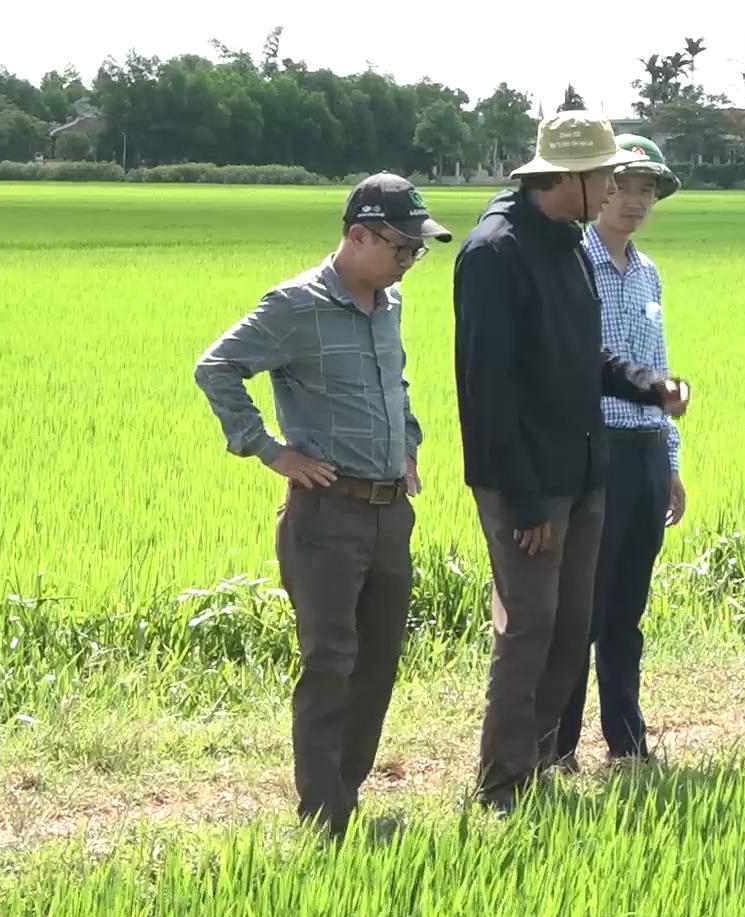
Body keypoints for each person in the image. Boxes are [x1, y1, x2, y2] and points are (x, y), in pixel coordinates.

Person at [194, 173, 451, 841]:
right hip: (327, 516)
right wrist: (269, 449)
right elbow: (216, 367)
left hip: (391, 511)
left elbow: (396, 383)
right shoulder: (296, 305)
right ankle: (324, 817)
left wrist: (411, 444)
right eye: (401, 247)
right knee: (331, 660)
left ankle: (347, 793)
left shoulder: (387, 304)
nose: (408, 262)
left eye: (416, 251)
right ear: (358, 235)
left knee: (378, 660)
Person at [454, 111, 690, 811]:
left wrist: (648, 385)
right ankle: (502, 786)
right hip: (530, 482)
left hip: (586, 472)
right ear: (573, 179)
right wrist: (524, 502)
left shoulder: (563, 244)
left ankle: (540, 767)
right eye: (606, 177)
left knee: (568, 628)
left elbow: (581, 356)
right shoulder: (495, 252)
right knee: (528, 629)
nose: (619, 188)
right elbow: (486, 389)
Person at [557, 135, 686, 766]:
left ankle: (626, 738)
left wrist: (672, 461)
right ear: (599, 187)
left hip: (645, 452)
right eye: (624, 185)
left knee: (627, 607)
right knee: (580, 604)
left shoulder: (649, 270)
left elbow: (660, 372)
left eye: (648, 189)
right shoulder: (572, 260)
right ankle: (557, 744)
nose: (635, 201)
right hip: (594, 448)